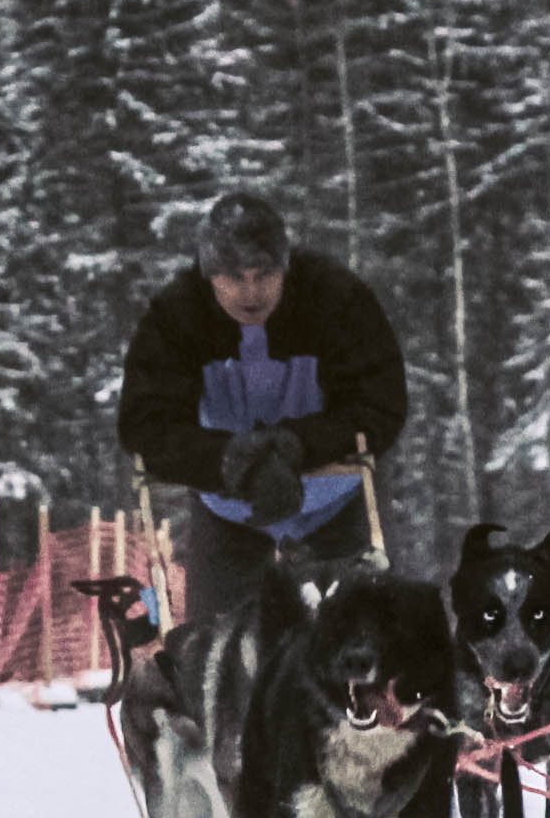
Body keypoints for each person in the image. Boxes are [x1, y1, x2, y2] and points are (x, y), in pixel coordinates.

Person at [117, 192, 409, 630]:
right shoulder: (178, 316)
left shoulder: (336, 298)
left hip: (337, 499)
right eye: (235, 278)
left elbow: (380, 404)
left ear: (285, 267)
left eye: (265, 275)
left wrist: (296, 447)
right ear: (210, 275)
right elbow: (145, 425)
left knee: (365, 643)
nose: (251, 292)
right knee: (209, 647)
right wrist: (230, 461)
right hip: (230, 508)